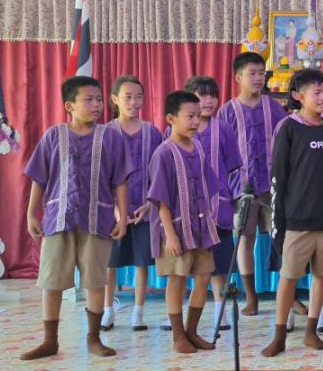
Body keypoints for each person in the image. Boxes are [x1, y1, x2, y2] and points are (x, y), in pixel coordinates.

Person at [21, 76, 130, 360]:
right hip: (58, 218)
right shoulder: (53, 136)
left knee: (95, 279)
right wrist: (31, 213)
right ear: (69, 105)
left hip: (98, 219)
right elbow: (39, 178)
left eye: (99, 99)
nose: (96, 105)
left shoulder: (111, 137)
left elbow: (120, 180)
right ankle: (49, 341)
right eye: (88, 100)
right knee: (52, 280)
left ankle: (94, 338)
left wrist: (122, 217)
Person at [261, 69, 323, 357]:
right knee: (288, 277)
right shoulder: (288, 128)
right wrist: (279, 221)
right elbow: (278, 178)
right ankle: (279, 336)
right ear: (298, 96)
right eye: (317, 93)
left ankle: (312, 330)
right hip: (297, 221)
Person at [148, 91, 221, 354]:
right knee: (177, 279)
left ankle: (192, 331)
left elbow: (207, 185)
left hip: (201, 228)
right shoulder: (163, 153)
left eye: (198, 116)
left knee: (203, 276)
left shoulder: (198, 147)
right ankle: (178, 336)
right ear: (171, 118)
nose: (195, 122)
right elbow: (161, 200)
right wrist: (170, 235)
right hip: (176, 229)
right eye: (189, 116)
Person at [218, 52, 288, 315]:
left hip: (272, 187)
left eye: (262, 73)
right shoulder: (227, 111)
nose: (259, 78)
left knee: (281, 238)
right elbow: (221, 152)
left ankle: (289, 295)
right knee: (244, 241)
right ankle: (251, 297)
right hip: (242, 189)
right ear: (238, 77)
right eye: (252, 73)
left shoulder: (275, 108)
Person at [182, 76, 243, 331]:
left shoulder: (224, 129)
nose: (208, 101)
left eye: (212, 95)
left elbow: (234, 168)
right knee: (188, 264)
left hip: (219, 209)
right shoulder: (178, 130)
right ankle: (182, 316)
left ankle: (221, 312)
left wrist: (235, 201)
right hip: (187, 211)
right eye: (202, 95)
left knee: (219, 264)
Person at [102, 75, 162, 332]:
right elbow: (101, 175)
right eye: (128, 97)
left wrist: (149, 203)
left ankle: (138, 312)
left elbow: (159, 173)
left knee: (141, 262)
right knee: (109, 262)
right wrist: (117, 209)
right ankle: (107, 311)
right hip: (113, 213)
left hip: (144, 210)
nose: (134, 102)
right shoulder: (105, 133)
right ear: (115, 99)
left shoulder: (153, 132)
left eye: (138, 96)